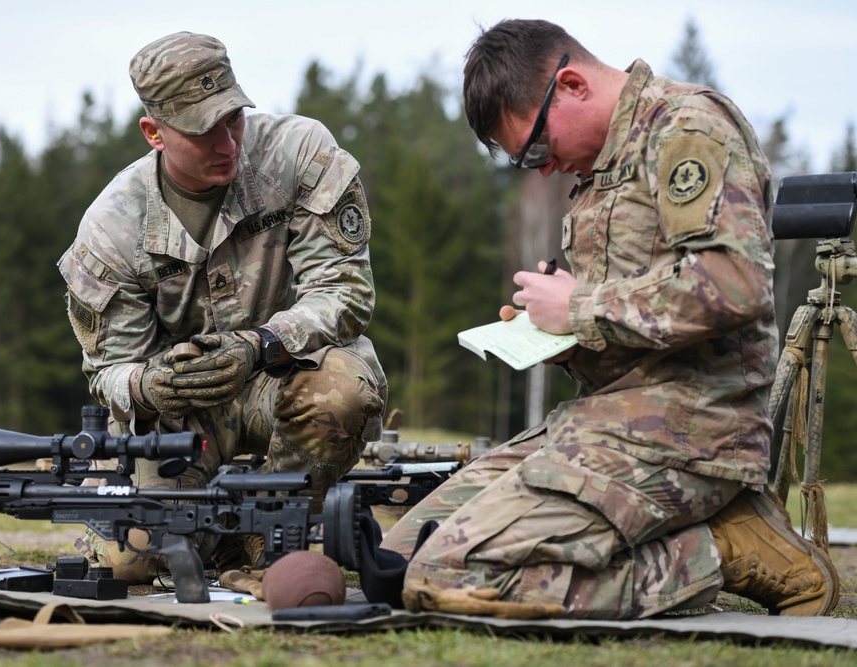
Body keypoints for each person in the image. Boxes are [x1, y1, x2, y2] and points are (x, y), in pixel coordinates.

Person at [379, 19, 839, 619]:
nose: (543, 169)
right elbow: (636, 317)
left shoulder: (687, 127)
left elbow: (736, 285)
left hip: (692, 428)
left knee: (446, 575)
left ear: (570, 85)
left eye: (537, 149)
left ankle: (724, 548)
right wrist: (556, 335)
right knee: (396, 561)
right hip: (602, 420)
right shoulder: (599, 168)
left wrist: (577, 308)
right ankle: (711, 528)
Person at [58, 31, 387, 582]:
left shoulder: (300, 154)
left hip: (285, 376)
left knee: (344, 393)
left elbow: (346, 293)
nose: (227, 143)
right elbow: (108, 370)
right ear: (154, 133)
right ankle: (215, 537)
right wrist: (147, 386)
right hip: (183, 409)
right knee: (131, 560)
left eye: (233, 118)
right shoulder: (113, 227)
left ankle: (270, 537)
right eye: (202, 130)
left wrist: (259, 345)